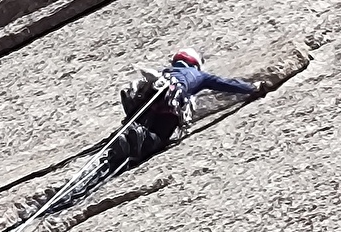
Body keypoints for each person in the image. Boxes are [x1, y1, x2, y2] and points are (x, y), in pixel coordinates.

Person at [107, 47, 263, 170]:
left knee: (145, 117)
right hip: (174, 101)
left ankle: (128, 136)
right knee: (161, 134)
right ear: (195, 63)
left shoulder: (166, 71)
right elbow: (226, 84)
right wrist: (252, 88)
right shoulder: (200, 75)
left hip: (154, 93)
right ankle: (144, 140)